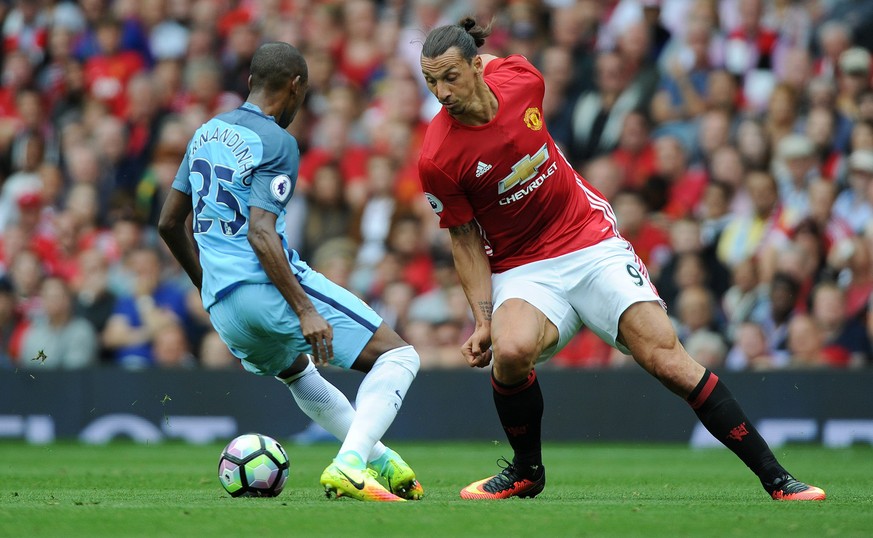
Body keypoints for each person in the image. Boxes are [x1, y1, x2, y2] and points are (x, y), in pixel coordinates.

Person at [417, 18, 825, 502]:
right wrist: (482, 319)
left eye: (450, 77)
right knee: (508, 353)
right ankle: (527, 471)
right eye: (431, 82)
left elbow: (498, 61)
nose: (441, 92)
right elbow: (464, 242)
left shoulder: (523, 79)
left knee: (667, 360)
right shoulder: (437, 158)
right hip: (521, 265)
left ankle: (778, 479)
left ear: (476, 67)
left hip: (587, 239)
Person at [159, 42, 422, 503]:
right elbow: (262, 234)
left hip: (224, 308)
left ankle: (380, 459)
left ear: (250, 82)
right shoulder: (277, 141)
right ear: (296, 87)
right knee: (399, 357)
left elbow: (168, 223)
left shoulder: (205, 132)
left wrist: (210, 288)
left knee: (299, 373)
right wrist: (304, 309)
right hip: (270, 289)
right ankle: (349, 464)